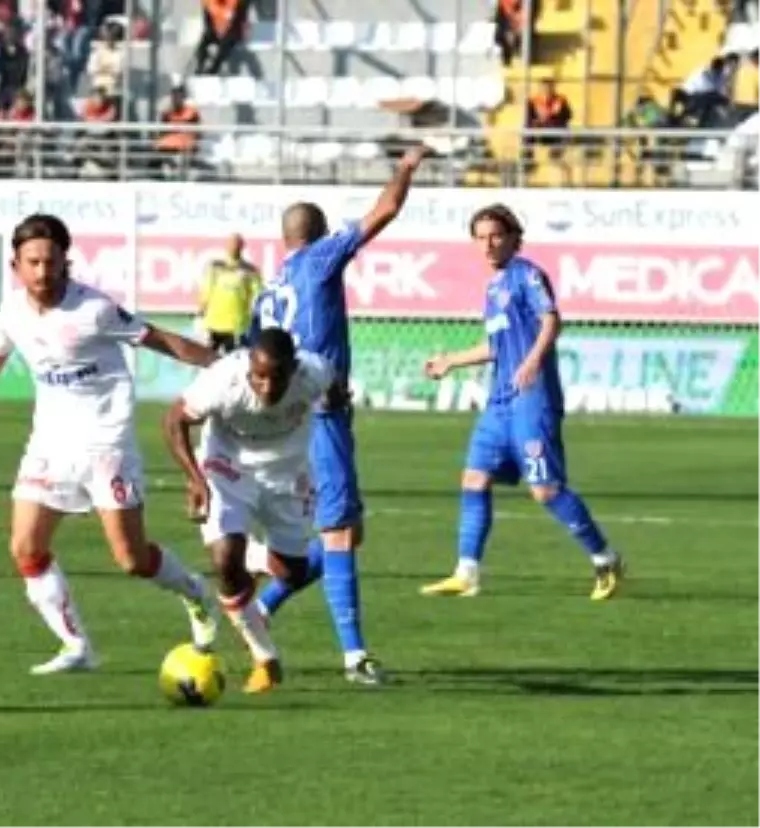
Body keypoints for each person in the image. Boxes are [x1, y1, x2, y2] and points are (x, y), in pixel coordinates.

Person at [0, 213, 220, 676]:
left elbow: (157, 338)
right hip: (50, 443)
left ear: (67, 261)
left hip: (107, 443)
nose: (43, 272)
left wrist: (221, 365)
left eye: (51, 261)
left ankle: (195, 593)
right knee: (25, 546)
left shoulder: (94, 310)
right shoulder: (12, 310)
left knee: (131, 558)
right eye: (33, 262)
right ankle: (76, 646)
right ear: (16, 265)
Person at [243, 145, 427, 686]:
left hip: (291, 421)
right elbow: (385, 209)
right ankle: (355, 657)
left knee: (344, 534)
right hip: (322, 414)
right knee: (340, 532)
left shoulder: (267, 293)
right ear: (320, 235)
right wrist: (407, 167)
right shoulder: (321, 259)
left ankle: (262, 609)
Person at [420, 204, 625, 600]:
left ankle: (605, 559)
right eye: (480, 237)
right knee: (474, 479)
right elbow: (496, 346)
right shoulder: (493, 289)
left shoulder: (526, 275)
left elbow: (551, 319)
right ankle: (466, 573)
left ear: (514, 238)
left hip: (533, 400)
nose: (488, 244)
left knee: (545, 490)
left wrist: (532, 361)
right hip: (499, 403)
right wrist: (450, 362)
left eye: (496, 235)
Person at [162, 328, 335, 695]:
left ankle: (251, 559)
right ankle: (265, 658)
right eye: (259, 376)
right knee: (225, 560)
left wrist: (339, 401)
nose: (268, 387)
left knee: (292, 572)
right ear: (248, 369)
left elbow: (334, 385)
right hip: (228, 470)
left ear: (294, 368)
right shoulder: (223, 379)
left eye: (277, 377)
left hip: (289, 476)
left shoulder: (314, 372)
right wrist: (195, 479)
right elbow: (174, 420)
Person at [196, 232, 262, 354]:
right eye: (231, 243)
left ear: (242, 246)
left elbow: (259, 295)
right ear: (226, 245)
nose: (234, 246)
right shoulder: (215, 266)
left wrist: (256, 318)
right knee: (207, 359)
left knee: (234, 361)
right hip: (213, 324)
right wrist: (200, 313)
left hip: (237, 326)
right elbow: (206, 291)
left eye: (237, 244)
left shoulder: (250, 270)